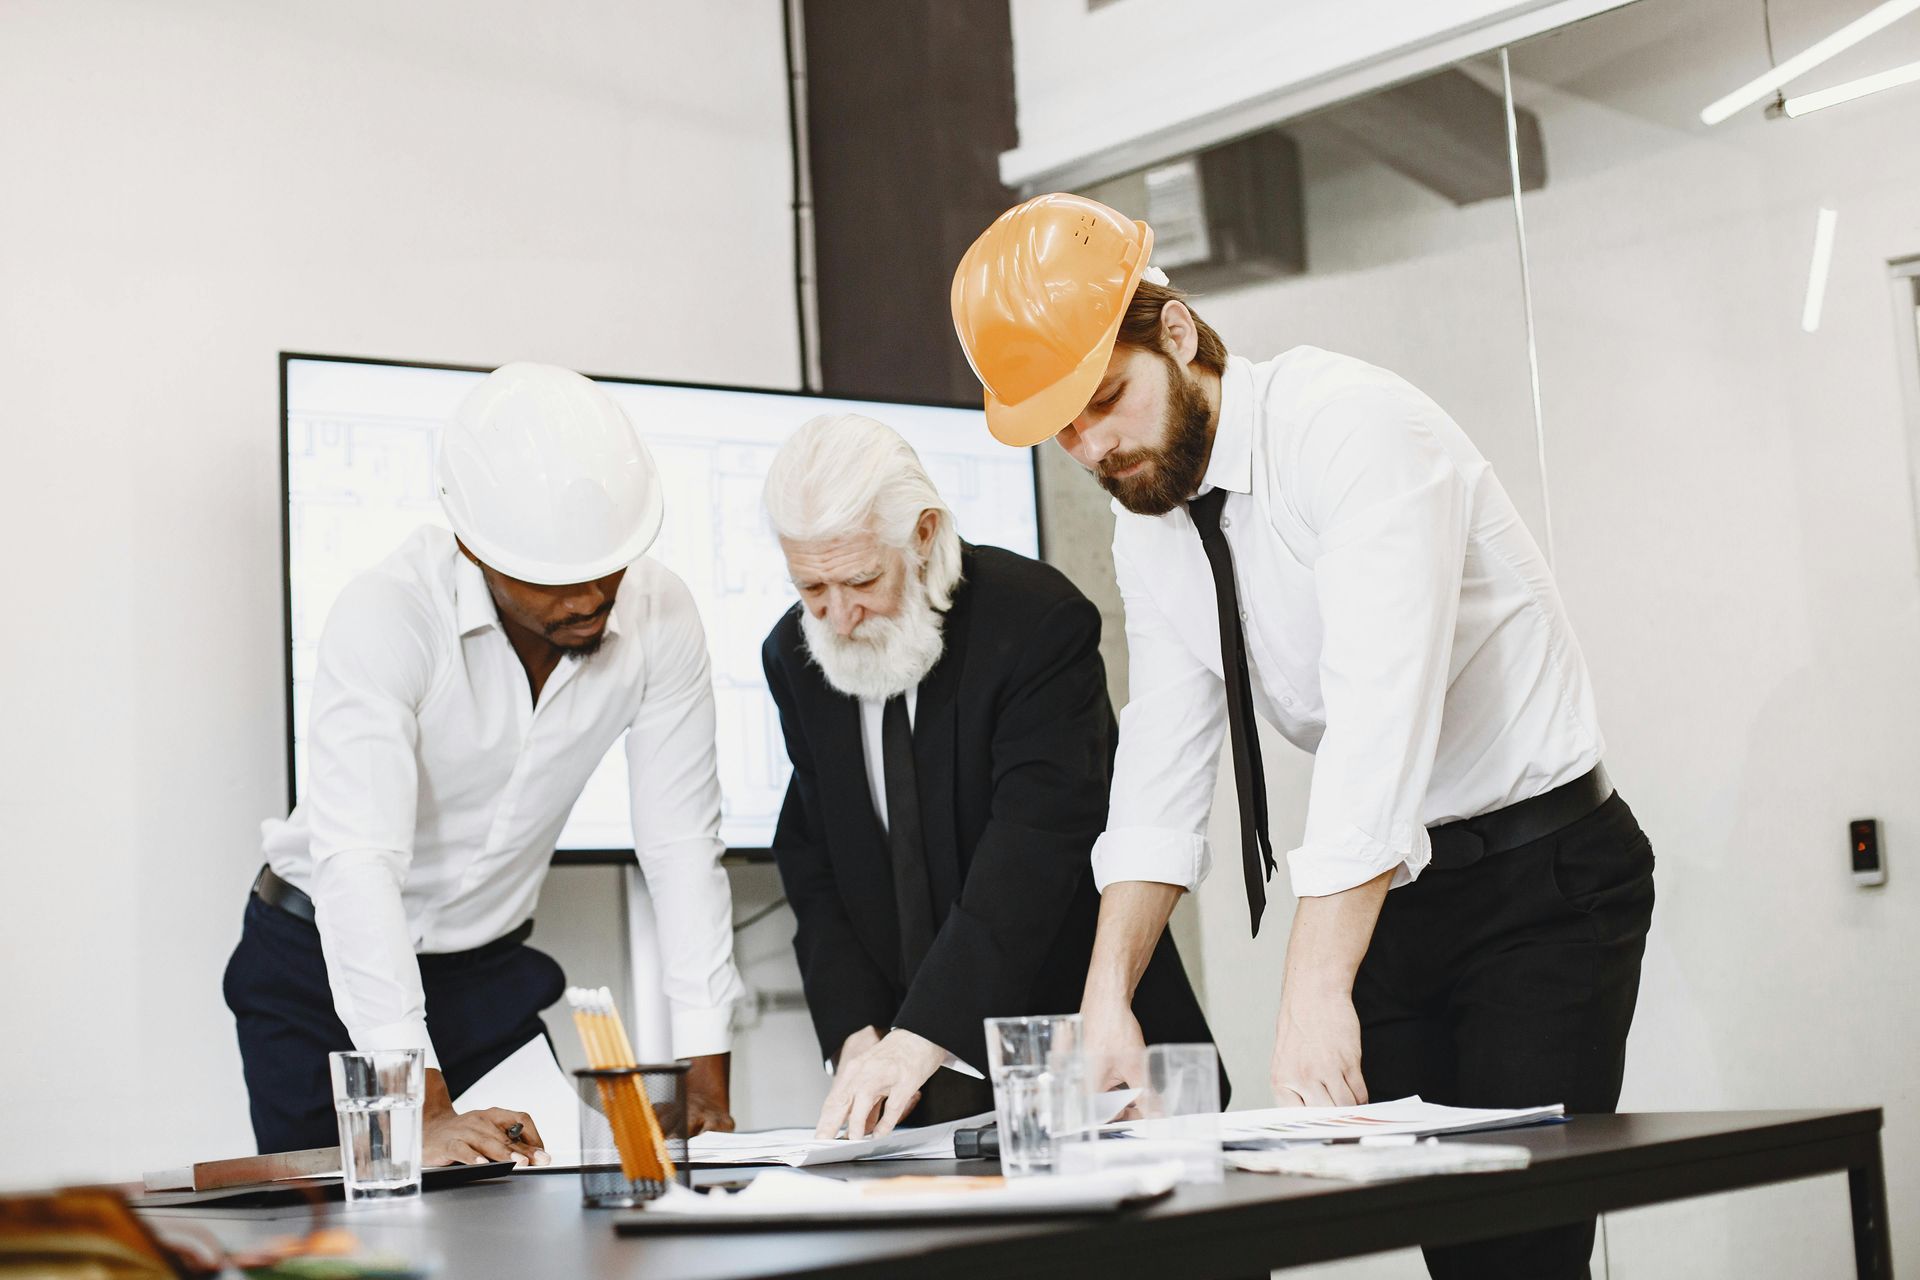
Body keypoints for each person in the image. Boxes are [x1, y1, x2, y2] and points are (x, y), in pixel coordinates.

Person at [951, 194, 1655, 1279]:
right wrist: (1106, 1001)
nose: (1095, 447)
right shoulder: (1152, 514)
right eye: (1067, 429)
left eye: (1106, 401)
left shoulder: (1349, 425)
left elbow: (1379, 719)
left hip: (1543, 882)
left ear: (1176, 334)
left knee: (1518, 1260)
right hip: (1394, 897)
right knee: (1450, 1250)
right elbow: (1162, 767)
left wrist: (1313, 985)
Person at [225, 362, 744, 1164]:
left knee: (540, 1211)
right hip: (317, 967)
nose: (586, 598)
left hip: (485, 972)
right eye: (552, 579)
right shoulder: (388, 615)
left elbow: (681, 848)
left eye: (608, 570)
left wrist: (707, 1085)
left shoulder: (660, 615)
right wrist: (422, 1107)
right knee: (351, 1239)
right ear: (474, 547)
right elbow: (358, 865)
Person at [760, 412, 1219, 1139]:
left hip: (1088, 1055)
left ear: (923, 532)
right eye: (810, 587)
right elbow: (816, 855)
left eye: (860, 580)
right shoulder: (794, 654)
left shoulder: (1035, 621)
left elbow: (1035, 849)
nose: (839, 618)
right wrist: (856, 1034)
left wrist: (924, 1034)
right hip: (915, 1088)